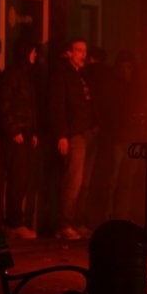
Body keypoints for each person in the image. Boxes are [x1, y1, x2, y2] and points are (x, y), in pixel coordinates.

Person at [50, 38, 99, 240]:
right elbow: (58, 106)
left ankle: (77, 221)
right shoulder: (62, 75)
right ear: (69, 53)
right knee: (73, 181)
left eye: (84, 51)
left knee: (84, 182)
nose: (83, 54)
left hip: (88, 132)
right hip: (75, 133)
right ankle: (64, 224)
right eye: (79, 50)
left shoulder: (83, 74)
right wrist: (62, 135)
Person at [0, 38, 40, 239]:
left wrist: (33, 132)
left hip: (24, 133)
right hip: (17, 135)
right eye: (33, 51)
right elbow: (5, 103)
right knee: (17, 177)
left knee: (22, 178)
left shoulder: (26, 74)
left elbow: (29, 107)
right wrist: (13, 130)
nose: (35, 55)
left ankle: (17, 221)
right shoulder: (14, 74)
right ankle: (14, 222)